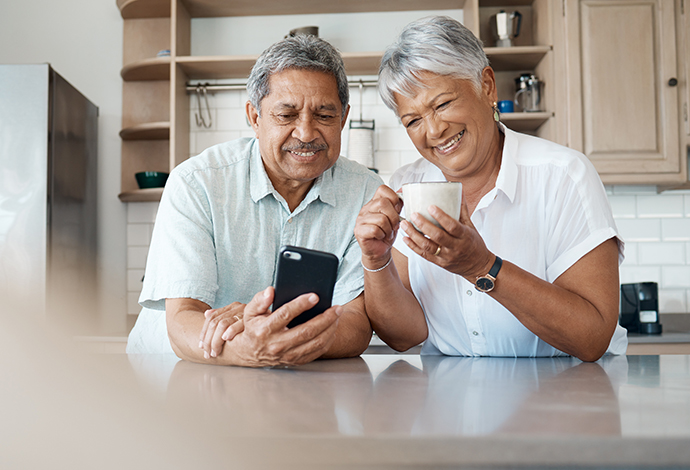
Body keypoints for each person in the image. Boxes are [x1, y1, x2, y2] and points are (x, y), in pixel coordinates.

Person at [354, 16, 627, 362]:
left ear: (486, 86)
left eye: (442, 104)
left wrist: (481, 267)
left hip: (566, 395)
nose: (434, 130)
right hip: (452, 400)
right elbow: (405, 336)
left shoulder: (564, 175)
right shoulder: (408, 186)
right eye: (413, 120)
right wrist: (376, 261)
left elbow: (592, 337)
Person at [127, 34, 383, 367]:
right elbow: (183, 319)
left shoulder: (366, 192)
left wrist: (270, 329)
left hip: (288, 384)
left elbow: (356, 323)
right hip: (176, 372)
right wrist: (251, 346)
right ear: (254, 117)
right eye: (286, 115)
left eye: (324, 116)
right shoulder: (196, 182)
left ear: (344, 118)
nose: (306, 133)